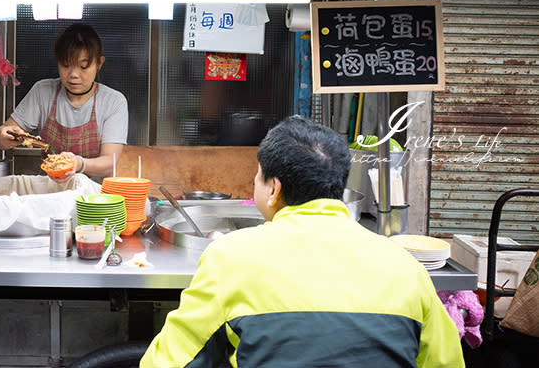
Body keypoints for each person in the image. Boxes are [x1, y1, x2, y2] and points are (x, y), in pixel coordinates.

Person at [141, 115, 464, 368]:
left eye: (257, 177)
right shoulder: (407, 268)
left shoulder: (230, 258)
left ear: (274, 189)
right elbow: (446, 362)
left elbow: (170, 362)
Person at [0, 23, 128, 180]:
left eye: (83, 67)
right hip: (51, 190)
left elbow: (108, 162)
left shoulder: (113, 102)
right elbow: (2, 134)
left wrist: (78, 164)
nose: (73, 75)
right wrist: (3, 136)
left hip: (95, 197)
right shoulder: (42, 92)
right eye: (66, 65)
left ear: (99, 63)